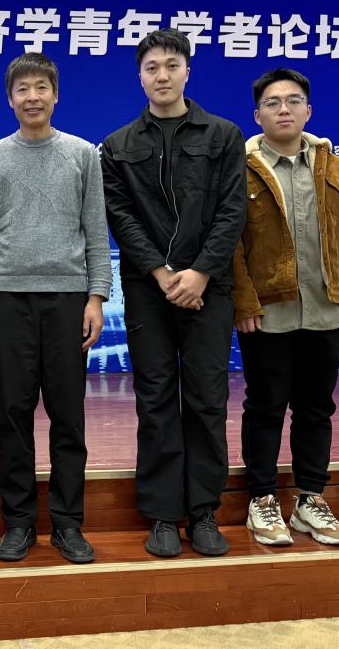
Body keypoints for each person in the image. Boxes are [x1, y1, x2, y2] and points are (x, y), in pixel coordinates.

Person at [101, 28, 246, 558]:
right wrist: (163, 274)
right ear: (139, 77)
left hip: (210, 288)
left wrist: (200, 273)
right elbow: (121, 217)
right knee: (156, 399)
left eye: (171, 65)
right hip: (148, 289)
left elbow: (232, 211)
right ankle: (163, 514)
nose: (162, 76)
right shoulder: (118, 145)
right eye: (151, 68)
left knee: (207, 400)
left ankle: (204, 512)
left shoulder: (223, 135)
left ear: (188, 71)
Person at [0, 52, 110, 565]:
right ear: (10, 99)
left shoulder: (82, 154)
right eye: (22, 89)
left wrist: (96, 296)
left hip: (69, 299)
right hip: (8, 299)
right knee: (14, 414)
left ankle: (68, 525)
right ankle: (19, 523)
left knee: (68, 416)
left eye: (41, 88)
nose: (32, 97)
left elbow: (96, 231)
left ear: (56, 95)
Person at [232, 68, 339, 548]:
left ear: (309, 111)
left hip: (325, 311)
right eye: (273, 103)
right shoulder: (241, 168)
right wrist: (243, 300)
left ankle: (310, 499)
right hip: (266, 314)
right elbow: (230, 244)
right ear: (257, 115)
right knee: (265, 406)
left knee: (316, 408)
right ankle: (261, 499)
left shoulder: (336, 170)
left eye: (293, 101)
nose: (284, 109)